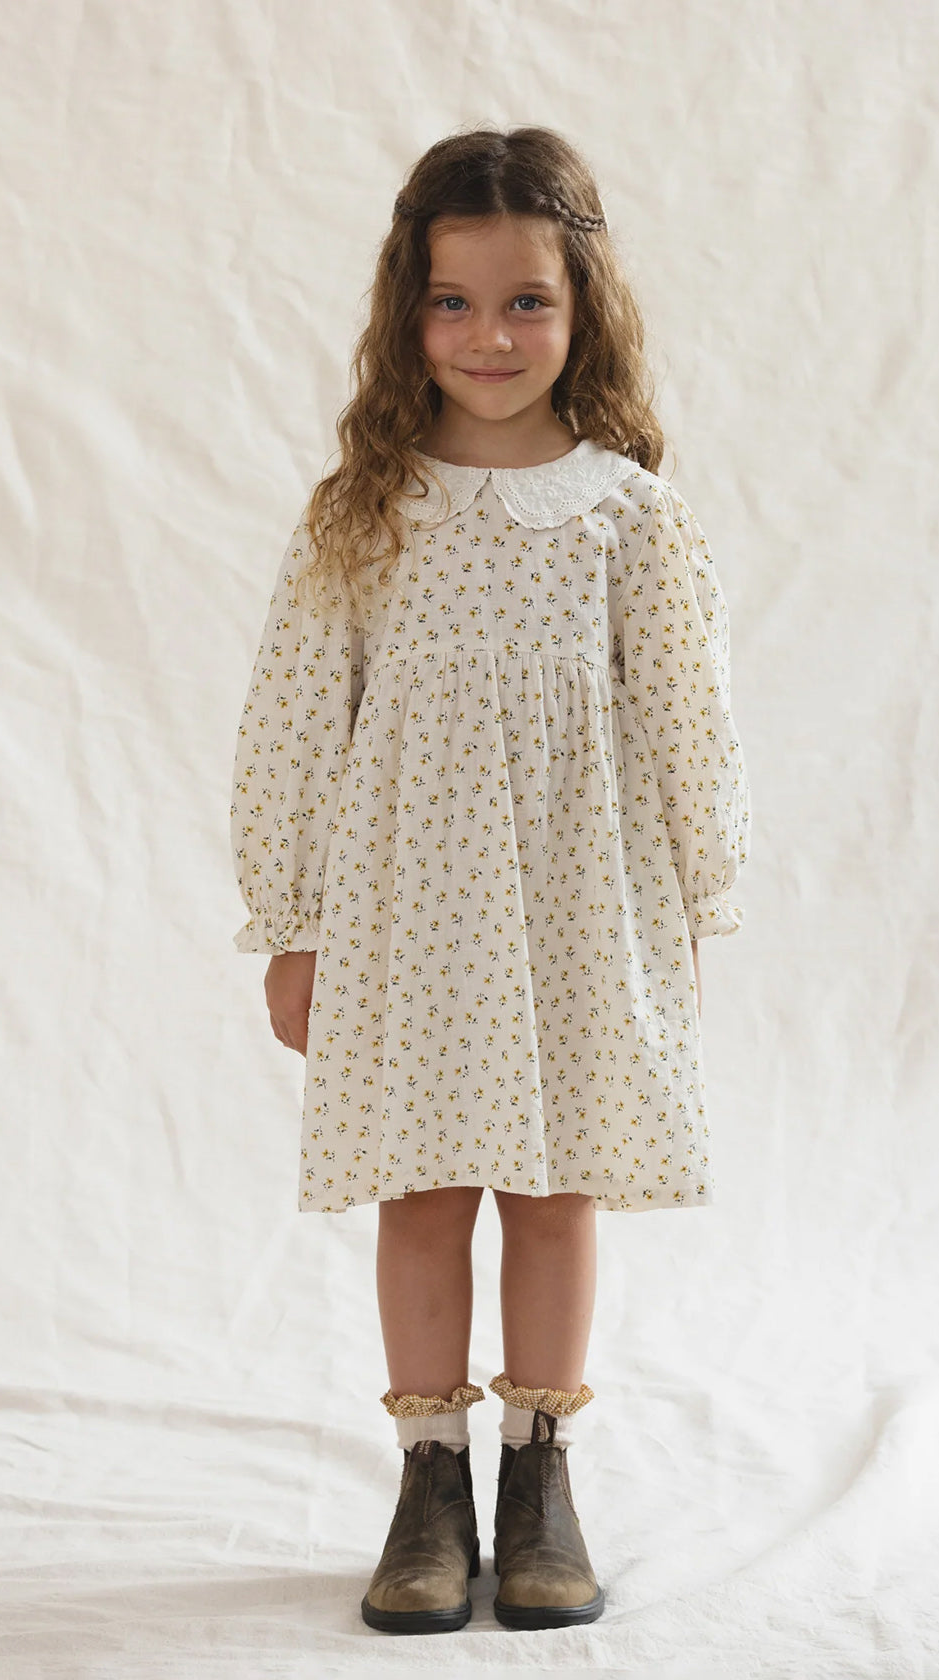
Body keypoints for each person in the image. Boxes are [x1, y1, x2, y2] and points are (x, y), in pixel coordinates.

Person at [229, 124, 751, 1636]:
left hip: (584, 908)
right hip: (408, 912)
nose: (490, 336)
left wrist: (692, 911)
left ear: (582, 307)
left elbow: (685, 724)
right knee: (423, 1186)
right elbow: (292, 718)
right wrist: (293, 921)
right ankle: (428, 1480)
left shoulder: (627, 514)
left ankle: (541, 1473)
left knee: (552, 1184)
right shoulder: (367, 509)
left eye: (526, 301)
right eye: (452, 304)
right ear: (409, 314)